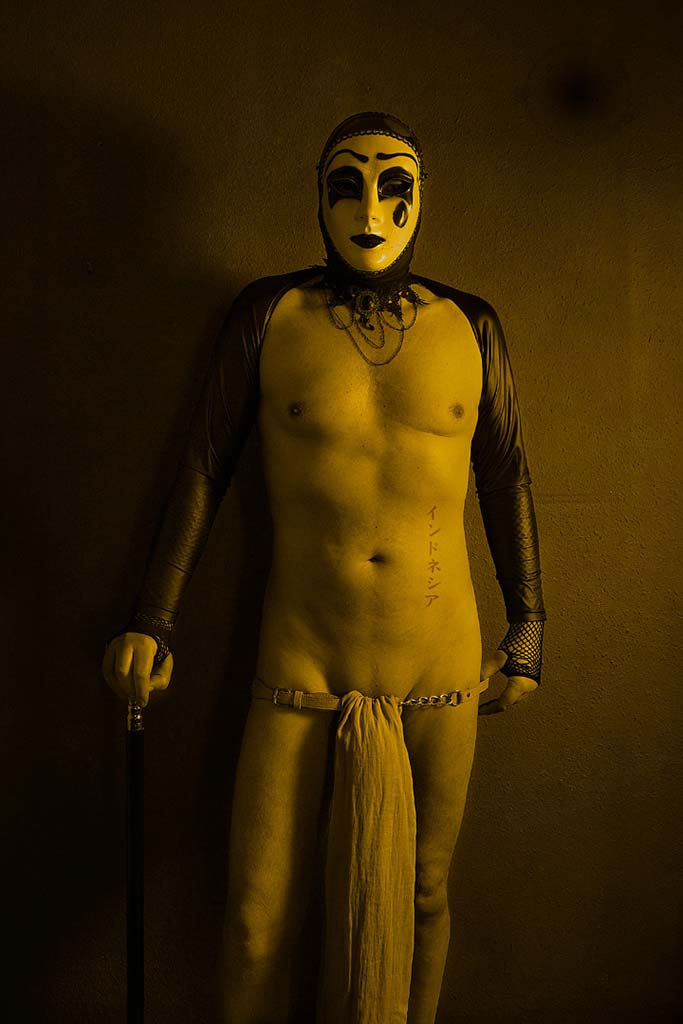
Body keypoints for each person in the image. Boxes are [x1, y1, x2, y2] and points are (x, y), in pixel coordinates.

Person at [102, 111, 546, 1024]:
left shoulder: (472, 324)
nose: (370, 210)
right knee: (256, 919)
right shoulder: (269, 315)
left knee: (424, 895)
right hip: (301, 653)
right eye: (347, 185)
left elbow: (506, 475)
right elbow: (204, 466)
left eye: (393, 187)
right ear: (318, 196)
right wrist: (154, 618)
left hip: (438, 657)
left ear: (422, 199)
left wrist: (529, 625)